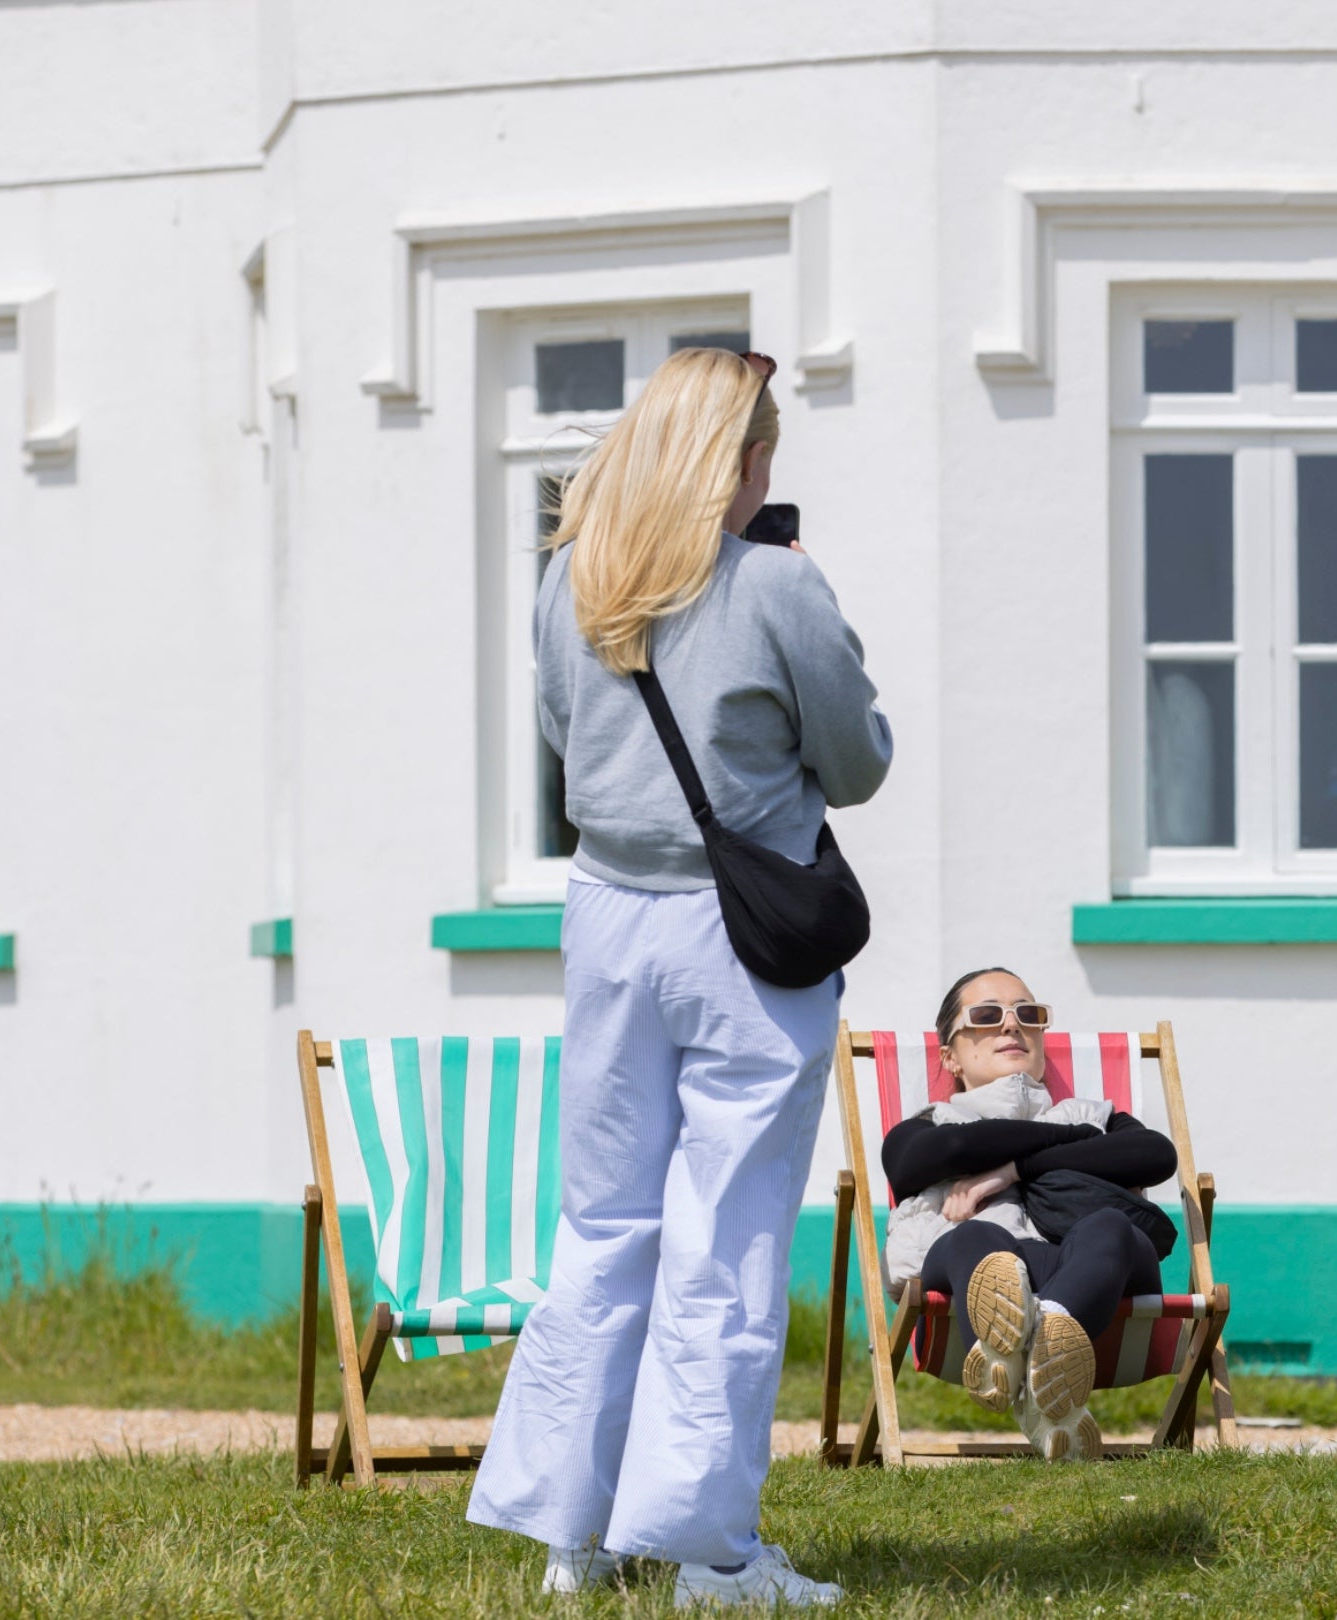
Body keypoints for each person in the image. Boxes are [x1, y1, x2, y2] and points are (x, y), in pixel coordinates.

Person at [466, 347, 889, 1610]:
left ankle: (569, 1534)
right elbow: (857, 762)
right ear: (740, 456)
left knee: (602, 1227)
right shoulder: (774, 583)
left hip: (601, 917)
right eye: (766, 449)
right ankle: (706, 1551)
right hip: (739, 932)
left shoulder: (568, 579)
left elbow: (559, 736)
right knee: (727, 1235)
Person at [879, 968, 1179, 1460]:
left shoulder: (1094, 1114)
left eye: (1028, 1014)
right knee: (972, 1238)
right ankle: (1047, 1377)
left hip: (1092, 1272)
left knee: (1111, 1228)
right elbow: (942, 1151)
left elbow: (1154, 1156)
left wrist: (1013, 1170)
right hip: (973, 1267)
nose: (1011, 1025)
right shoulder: (929, 1128)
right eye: (986, 1015)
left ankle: (1039, 1342)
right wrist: (1073, 1142)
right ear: (949, 1054)